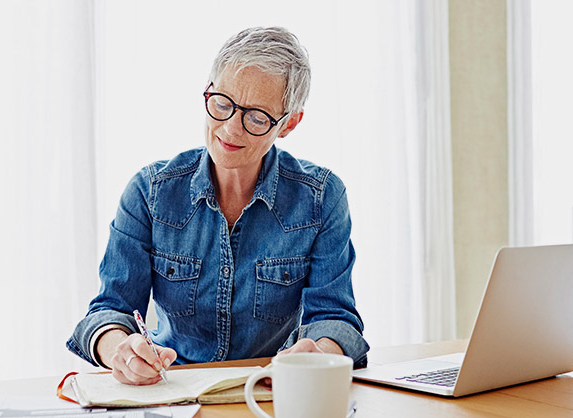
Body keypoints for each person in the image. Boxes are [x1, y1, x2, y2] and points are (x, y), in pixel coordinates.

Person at [67, 27, 369, 385]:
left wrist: (319, 355)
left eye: (256, 118)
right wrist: (121, 349)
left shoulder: (321, 198)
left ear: (288, 123)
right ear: (208, 90)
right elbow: (108, 312)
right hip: (172, 389)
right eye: (222, 104)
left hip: (271, 391)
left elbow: (336, 318)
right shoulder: (150, 192)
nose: (230, 128)